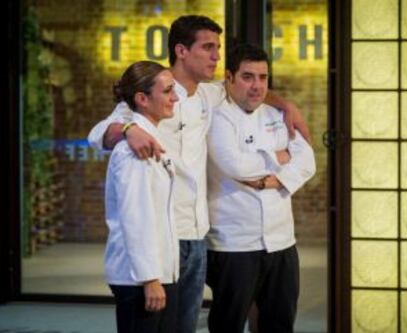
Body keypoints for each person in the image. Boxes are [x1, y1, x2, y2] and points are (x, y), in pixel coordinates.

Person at [89, 15, 310, 333]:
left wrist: (286, 104)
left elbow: (248, 87)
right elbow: (98, 133)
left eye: (218, 48)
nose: (216, 56)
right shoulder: (155, 93)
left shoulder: (209, 94)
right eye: (208, 47)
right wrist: (126, 129)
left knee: (185, 327)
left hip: (198, 237)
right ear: (181, 50)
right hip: (166, 235)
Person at [206, 43, 316, 333]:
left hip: (282, 241)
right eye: (247, 77)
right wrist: (279, 158)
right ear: (228, 78)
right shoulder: (218, 117)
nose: (257, 86)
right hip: (234, 242)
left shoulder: (277, 115)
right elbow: (234, 165)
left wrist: (272, 181)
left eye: (263, 77)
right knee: (227, 324)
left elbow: (307, 161)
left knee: (279, 323)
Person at [104, 61, 179, 333]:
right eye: (168, 91)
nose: (176, 98)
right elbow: (136, 217)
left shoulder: (150, 137)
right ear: (142, 99)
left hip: (157, 272)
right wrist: (150, 279)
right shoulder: (132, 150)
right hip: (139, 279)